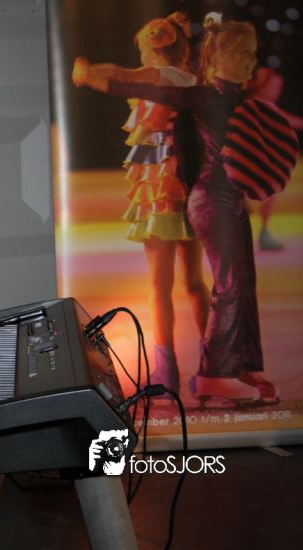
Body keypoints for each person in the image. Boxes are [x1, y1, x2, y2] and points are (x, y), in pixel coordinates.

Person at [74, 15, 296, 408]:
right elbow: (136, 84)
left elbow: (129, 78)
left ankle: (229, 369)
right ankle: (215, 373)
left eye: (252, 53)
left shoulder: (214, 91)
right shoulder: (197, 90)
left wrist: (92, 75)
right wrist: (94, 78)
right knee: (221, 285)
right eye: (244, 53)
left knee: (234, 286)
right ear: (216, 56)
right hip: (200, 197)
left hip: (197, 196)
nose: (251, 60)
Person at [72, 12, 210, 397]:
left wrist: (87, 71)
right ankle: (213, 362)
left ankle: (167, 370)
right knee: (195, 283)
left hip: (161, 190)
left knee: (159, 285)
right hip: (191, 187)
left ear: (151, 49)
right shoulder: (192, 79)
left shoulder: (154, 75)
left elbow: (120, 74)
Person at [244, 67, 303, 251]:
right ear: (261, 85)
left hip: (252, 159)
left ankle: (262, 232)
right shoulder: (258, 104)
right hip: (246, 160)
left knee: (270, 188)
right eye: (273, 86)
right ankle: (260, 233)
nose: (276, 91)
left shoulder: (260, 103)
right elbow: (287, 120)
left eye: (279, 87)